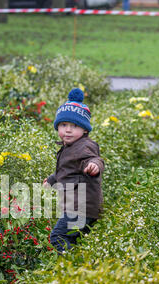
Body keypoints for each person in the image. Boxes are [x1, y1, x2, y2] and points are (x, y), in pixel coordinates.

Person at [43, 88, 105, 255]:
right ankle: (82, 269)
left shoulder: (85, 146)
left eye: (74, 126)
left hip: (81, 208)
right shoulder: (69, 147)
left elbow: (95, 159)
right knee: (73, 240)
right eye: (63, 125)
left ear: (85, 130)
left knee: (58, 237)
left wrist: (94, 166)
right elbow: (66, 170)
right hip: (80, 207)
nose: (68, 130)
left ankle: (75, 266)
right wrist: (51, 180)